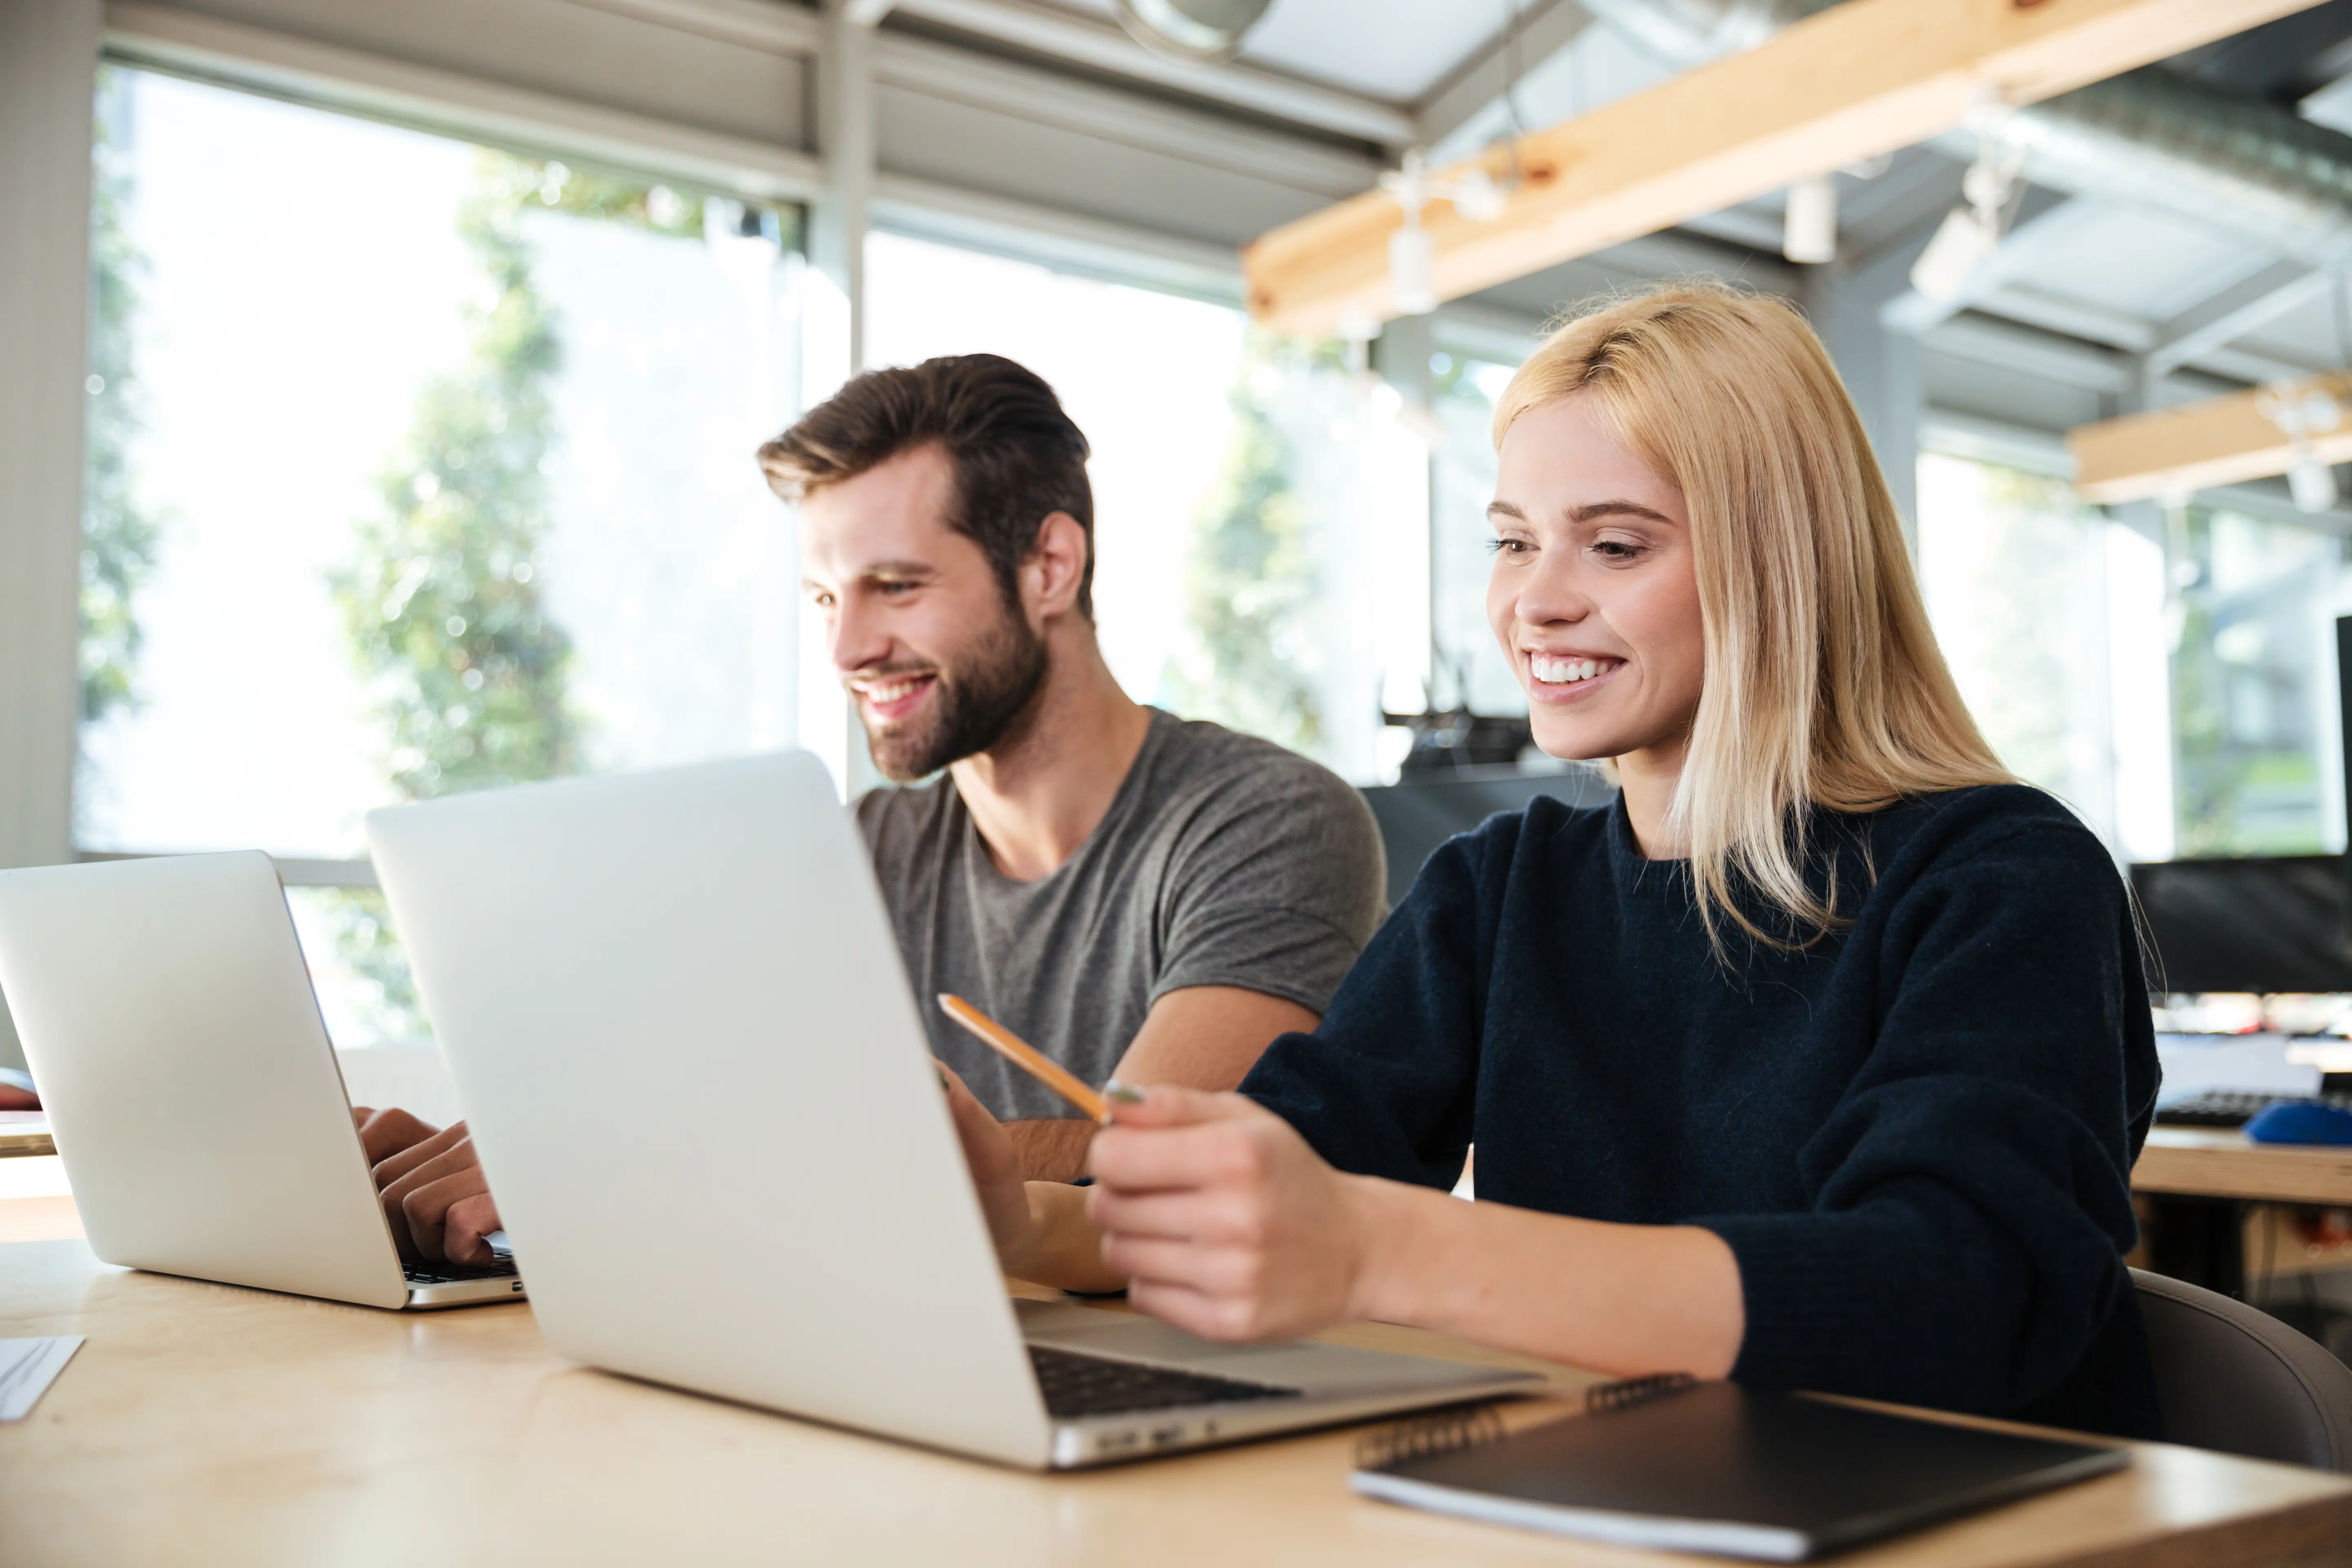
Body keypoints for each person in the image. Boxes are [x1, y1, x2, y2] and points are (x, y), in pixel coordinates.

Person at [940, 283, 2163, 1438]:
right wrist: (1023, 1221)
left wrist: (1386, 1250)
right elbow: (1282, 1179)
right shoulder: (1506, 885)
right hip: (1617, 1491)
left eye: (1616, 547)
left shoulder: (2002, 876)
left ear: (1781, 566)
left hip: (1947, 1515)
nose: (1535, 603)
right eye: (1513, 542)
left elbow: (1949, 1295)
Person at [361, 353, 1387, 1266]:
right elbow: (702, 1100)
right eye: (824, 598)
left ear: (1049, 568)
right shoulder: (859, 849)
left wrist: (721, 1155)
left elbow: (1138, 1157)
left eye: (894, 587)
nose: (848, 648)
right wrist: (540, 1145)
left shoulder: (1272, 821)